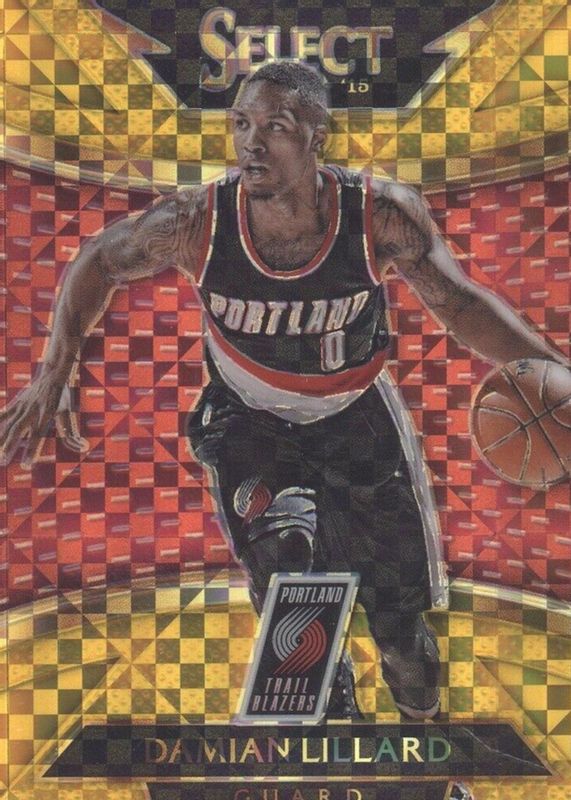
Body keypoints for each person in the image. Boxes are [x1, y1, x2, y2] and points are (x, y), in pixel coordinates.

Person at [0, 62, 563, 721]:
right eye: (241, 124)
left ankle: (422, 736)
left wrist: (554, 370)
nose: (251, 143)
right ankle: (330, 721)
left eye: (275, 127)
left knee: (403, 638)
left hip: (355, 419)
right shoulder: (196, 220)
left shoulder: (378, 214)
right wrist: (55, 368)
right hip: (249, 422)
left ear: (316, 137)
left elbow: (458, 304)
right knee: (292, 581)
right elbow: (100, 260)